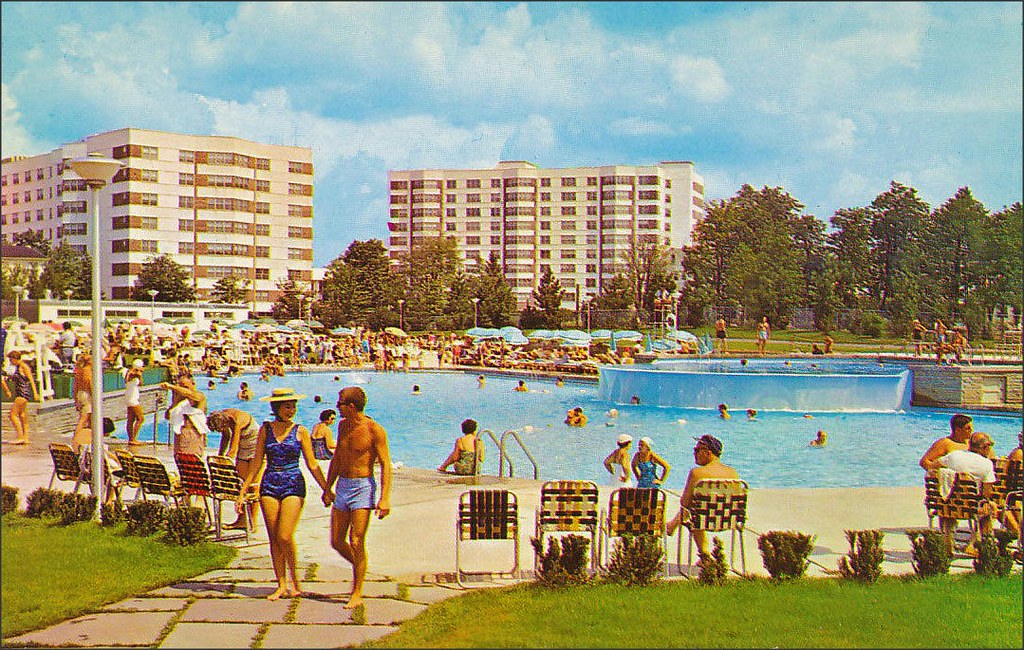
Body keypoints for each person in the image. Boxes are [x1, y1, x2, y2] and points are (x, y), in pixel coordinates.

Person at [238, 387, 331, 601]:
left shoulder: (301, 431)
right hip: (269, 483)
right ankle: (281, 584)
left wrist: (327, 489)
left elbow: (312, 464)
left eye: (293, 406)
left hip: (293, 484)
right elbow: (256, 462)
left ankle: (295, 582)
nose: (291, 410)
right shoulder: (265, 429)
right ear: (277, 407)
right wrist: (243, 491)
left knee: (285, 535)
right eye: (287, 406)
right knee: (274, 538)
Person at [323, 385, 393, 609]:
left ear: (351, 406)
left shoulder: (375, 430)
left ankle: (357, 591)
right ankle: (361, 567)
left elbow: (386, 464)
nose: (337, 407)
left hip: (363, 487)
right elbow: (337, 458)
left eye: (340, 403)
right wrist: (327, 487)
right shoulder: (343, 426)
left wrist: (385, 498)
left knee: (356, 540)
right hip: (343, 485)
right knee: (336, 541)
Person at [921, 431, 1006, 554]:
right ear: (984, 447)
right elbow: (986, 494)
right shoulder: (987, 464)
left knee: (950, 507)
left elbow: (932, 467)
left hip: (945, 505)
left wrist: (946, 476)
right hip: (970, 508)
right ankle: (976, 544)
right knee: (988, 506)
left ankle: (947, 543)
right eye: (990, 445)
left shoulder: (953, 456)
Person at [666, 434, 741, 555]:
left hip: (703, 521)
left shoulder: (697, 473)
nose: (694, 453)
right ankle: (672, 526)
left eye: (697, 450)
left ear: (708, 452)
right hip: (729, 520)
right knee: (700, 509)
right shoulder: (733, 473)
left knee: (696, 511)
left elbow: (685, 503)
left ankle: (704, 553)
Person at [208, 407, 261, 530]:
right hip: (244, 447)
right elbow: (226, 437)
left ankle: (252, 522)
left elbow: (233, 448)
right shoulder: (222, 416)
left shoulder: (238, 420)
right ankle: (241, 520)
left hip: (255, 447)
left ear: (226, 422)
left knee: (253, 486)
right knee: (240, 486)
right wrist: (220, 456)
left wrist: (225, 462)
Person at [2, 350, 39, 445]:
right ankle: (25, 438)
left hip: (23, 393)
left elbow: (31, 379)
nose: (10, 362)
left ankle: (20, 436)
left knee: (12, 415)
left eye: (11, 359)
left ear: (15, 358)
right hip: (21, 393)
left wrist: (35, 393)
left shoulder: (24, 366)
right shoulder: (18, 367)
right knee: (22, 416)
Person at [124, 359, 146, 446]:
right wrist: (138, 372)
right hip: (132, 399)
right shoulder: (131, 373)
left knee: (131, 419)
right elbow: (130, 379)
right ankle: (134, 439)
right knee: (141, 418)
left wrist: (139, 374)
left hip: (130, 397)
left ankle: (131, 439)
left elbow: (141, 384)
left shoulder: (133, 373)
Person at [72, 352, 93, 433]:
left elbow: (75, 388)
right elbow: (90, 385)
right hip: (87, 395)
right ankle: (76, 436)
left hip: (80, 394)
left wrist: (76, 400)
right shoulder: (88, 372)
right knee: (84, 419)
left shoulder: (79, 371)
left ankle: (88, 436)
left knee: (89, 419)